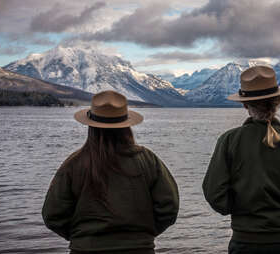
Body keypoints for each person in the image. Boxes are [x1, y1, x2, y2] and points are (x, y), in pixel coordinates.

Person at [202, 65, 280, 254]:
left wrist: (239, 208)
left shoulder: (228, 140)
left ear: (244, 104)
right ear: (278, 101)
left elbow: (215, 194)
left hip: (245, 241)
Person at [42, 90, 179, 254]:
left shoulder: (74, 163)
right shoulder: (148, 160)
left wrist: (82, 238)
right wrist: (142, 235)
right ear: (126, 126)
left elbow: (53, 214)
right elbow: (169, 207)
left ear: (91, 126)